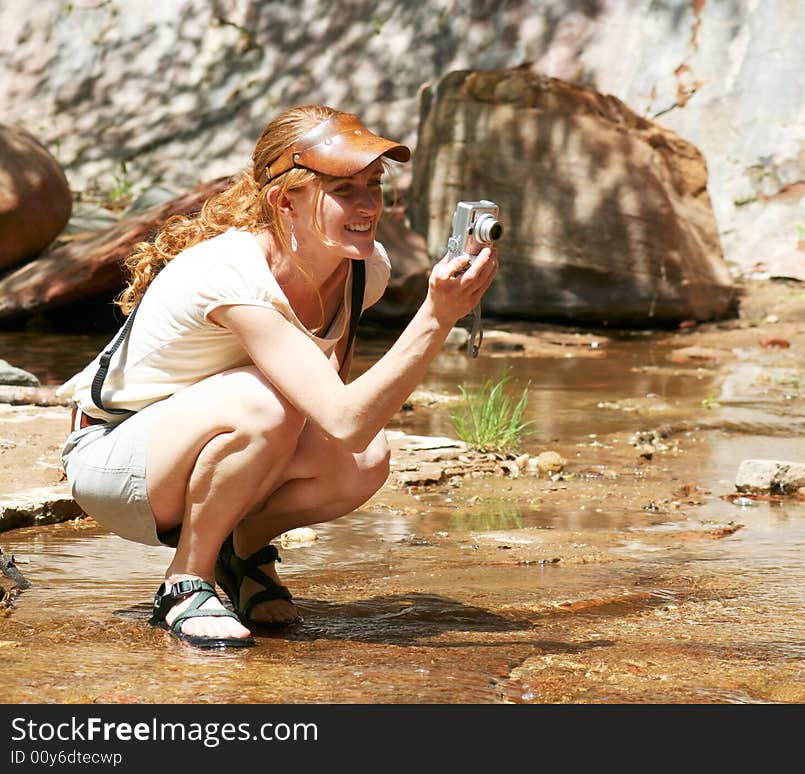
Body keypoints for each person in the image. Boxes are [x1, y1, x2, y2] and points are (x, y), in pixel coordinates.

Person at [56, 104, 498, 649]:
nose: (367, 205)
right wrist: (437, 316)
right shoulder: (232, 274)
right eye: (343, 189)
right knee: (266, 404)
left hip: (198, 446)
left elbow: (342, 420)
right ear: (284, 200)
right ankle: (186, 578)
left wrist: (440, 313)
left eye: (374, 184)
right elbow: (341, 415)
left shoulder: (365, 269)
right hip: (114, 460)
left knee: (366, 460)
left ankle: (242, 553)